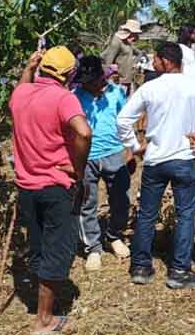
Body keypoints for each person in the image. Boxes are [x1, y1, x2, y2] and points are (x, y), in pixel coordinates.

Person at [117, 42, 195, 289]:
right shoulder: (194, 85)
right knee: (185, 214)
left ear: (166, 61)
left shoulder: (149, 88)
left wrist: (135, 145)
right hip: (184, 158)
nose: (152, 62)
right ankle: (179, 271)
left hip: (155, 160)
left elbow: (123, 120)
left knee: (147, 213)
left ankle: (141, 266)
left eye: (155, 59)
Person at [8, 46, 91, 334]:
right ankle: (44, 320)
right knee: (58, 249)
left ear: (42, 68)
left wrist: (29, 68)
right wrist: (78, 170)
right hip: (56, 186)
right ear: (69, 74)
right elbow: (83, 132)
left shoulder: (20, 95)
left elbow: (22, 86)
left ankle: (41, 304)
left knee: (40, 246)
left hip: (27, 187)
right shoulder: (63, 98)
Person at [73, 56, 134, 271]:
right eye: (84, 81)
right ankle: (93, 248)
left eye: (91, 80)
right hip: (86, 156)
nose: (86, 85)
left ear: (101, 77)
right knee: (86, 203)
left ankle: (114, 236)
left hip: (114, 153)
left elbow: (125, 121)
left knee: (121, 199)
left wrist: (130, 150)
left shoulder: (117, 93)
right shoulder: (75, 96)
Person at [102, 20, 141, 95]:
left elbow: (140, 53)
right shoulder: (117, 42)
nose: (135, 37)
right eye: (134, 34)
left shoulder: (129, 43)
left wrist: (134, 62)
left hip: (127, 80)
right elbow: (107, 62)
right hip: (118, 81)